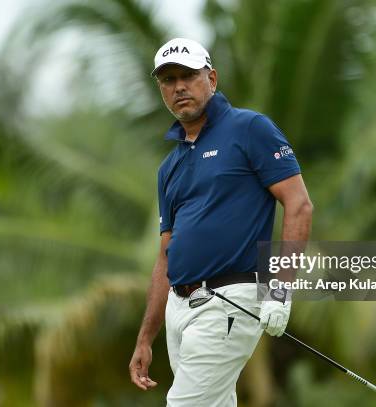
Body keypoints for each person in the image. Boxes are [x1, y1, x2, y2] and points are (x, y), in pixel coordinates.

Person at [128, 37, 313, 406]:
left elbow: (299, 205)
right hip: (180, 309)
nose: (179, 86)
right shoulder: (170, 168)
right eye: (168, 80)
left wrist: (280, 291)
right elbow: (166, 255)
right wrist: (145, 338)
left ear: (211, 78)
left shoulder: (249, 129)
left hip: (229, 301)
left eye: (189, 75)